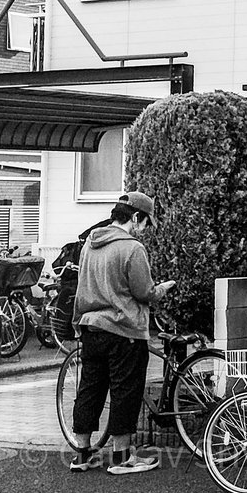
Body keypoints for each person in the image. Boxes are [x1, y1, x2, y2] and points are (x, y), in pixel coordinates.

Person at [69, 191, 176, 475]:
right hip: (124, 329)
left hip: (91, 326)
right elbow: (144, 292)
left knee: (90, 389)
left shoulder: (89, 244)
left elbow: (81, 286)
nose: (145, 230)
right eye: (146, 223)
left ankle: (82, 454)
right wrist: (163, 288)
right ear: (136, 218)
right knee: (124, 391)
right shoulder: (132, 248)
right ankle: (121, 458)